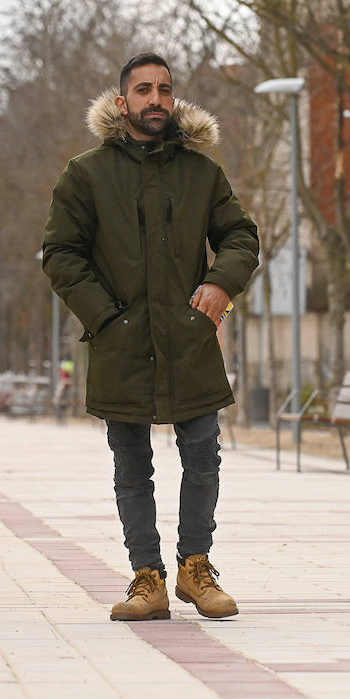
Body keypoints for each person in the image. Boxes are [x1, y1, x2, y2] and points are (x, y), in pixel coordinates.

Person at [42, 53, 259, 621]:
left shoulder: (201, 173)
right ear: (123, 102)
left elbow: (240, 236)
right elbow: (61, 254)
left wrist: (219, 285)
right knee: (131, 465)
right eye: (143, 90)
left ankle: (195, 569)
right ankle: (147, 578)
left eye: (164, 89)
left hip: (189, 339)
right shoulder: (85, 173)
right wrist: (106, 319)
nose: (155, 99)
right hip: (121, 342)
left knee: (204, 456)